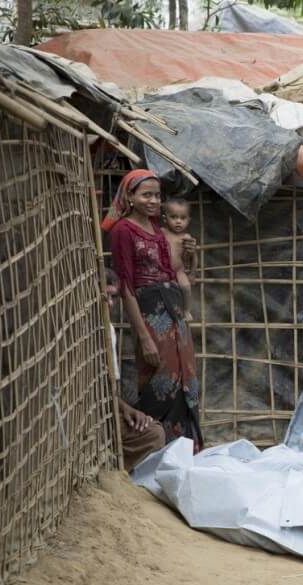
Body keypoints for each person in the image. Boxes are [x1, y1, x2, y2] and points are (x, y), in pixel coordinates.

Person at [105, 169, 204, 451]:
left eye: (157, 196)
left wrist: (190, 255)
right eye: (146, 194)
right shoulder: (123, 231)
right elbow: (126, 286)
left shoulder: (158, 232)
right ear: (130, 197)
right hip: (150, 314)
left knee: (186, 376)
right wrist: (144, 336)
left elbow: (172, 273)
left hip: (173, 310)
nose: (153, 201)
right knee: (161, 378)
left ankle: (187, 449)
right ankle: (156, 446)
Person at [103, 268, 166, 471]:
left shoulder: (109, 331)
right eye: (105, 297)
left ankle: (113, 467)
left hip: (107, 411)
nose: (110, 304)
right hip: (81, 415)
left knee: (154, 434)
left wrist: (126, 409)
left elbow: (110, 387)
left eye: (113, 297)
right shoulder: (73, 328)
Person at [161, 197, 197, 322]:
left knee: (186, 287)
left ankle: (186, 310)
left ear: (188, 220)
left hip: (179, 271)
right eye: (174, 217)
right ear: (165, 219)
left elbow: (194, 256)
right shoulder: (162, 233)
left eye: (183, 218)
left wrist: (192, 273)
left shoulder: (186, 237)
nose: (178, 222)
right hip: (163, 271)